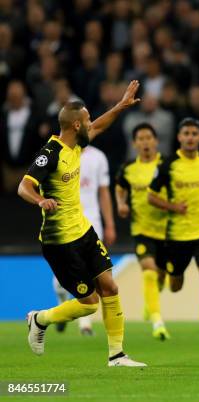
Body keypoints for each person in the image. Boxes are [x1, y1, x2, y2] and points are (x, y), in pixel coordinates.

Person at [18, 80, 146, 367]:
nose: (91, 124)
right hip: (59, 242)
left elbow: (101, 125)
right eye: (87, 120)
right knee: (89, 305)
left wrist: (121, 106)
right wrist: (40, 200)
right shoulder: (50, 154)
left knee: (110, 287)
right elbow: (23, 187)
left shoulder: (78, 144)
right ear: (76, 125)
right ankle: (39, 319)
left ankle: (117, 355)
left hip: (83, 230)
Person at [148, 117, 199, 349]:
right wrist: (173, 207)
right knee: (176, 285)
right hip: (177, 236)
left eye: (195, 133)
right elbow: (151, 196)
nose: (190, 137)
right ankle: (164, 279)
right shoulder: (168, 164)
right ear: (179, 137)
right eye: (186, 134)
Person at [53, 143, 117, 335]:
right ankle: (62, 302)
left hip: (91, 221)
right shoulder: (56, 155)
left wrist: (110, 224)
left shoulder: (98, 157)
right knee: (61, 277)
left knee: (90, 271)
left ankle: (85, 324)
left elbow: (104, 192)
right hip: (65, 222)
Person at [116, 123, 169, 340]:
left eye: (149, 138)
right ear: (134, 143)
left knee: (162, 275)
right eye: (141, 138)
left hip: (167, 230)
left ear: (156, 141)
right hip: (142, 229)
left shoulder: (167, 165)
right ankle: (157, 320)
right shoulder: (128, 168)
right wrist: (121, 203)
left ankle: (151, 302)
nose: (145, 142)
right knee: (148, 269)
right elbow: (119, 188)